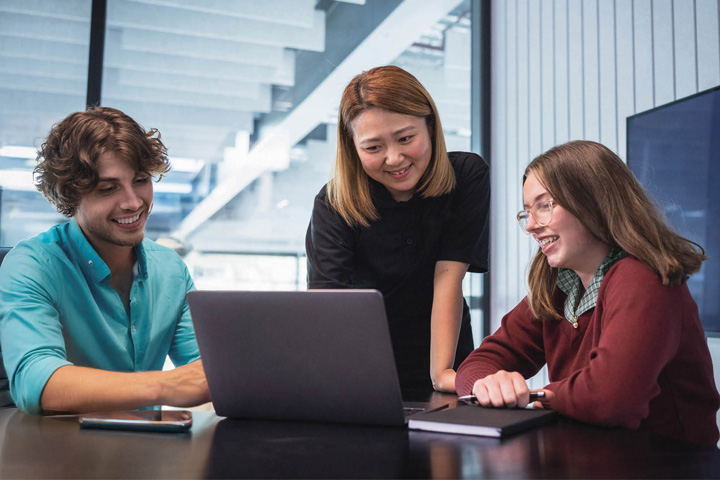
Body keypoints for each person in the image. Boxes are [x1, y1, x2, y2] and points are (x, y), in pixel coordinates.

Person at [456, 140, 720, 446]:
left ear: (592, 201)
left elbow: (610, 398)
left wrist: (535, 396)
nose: (530, 225)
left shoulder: (642, 278)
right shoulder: (557, 287)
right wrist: (488, 385)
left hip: (667, 467)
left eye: (544, 205)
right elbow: (476, 364)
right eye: (527, 211)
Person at [0, 106, 210, 414]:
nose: (133, 202)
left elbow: (206, 370)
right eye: (108, 189)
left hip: (147, 450)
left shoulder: (170, 269)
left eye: (140, 180)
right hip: (58, 454)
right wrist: (166, 385)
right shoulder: (32, 265)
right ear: (71, 195)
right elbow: (37, 383)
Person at [306, 65, 490, 393]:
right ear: (353, 147)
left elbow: (448, 276)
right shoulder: (334, 203)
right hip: (363, 374)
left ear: (430, 126)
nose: (394, 158)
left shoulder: (466, 175)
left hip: (446, 363)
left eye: (406, 138)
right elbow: (330, 308)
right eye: (373, 148)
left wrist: (442, 374)